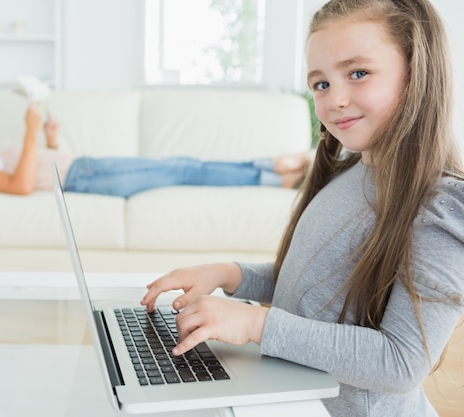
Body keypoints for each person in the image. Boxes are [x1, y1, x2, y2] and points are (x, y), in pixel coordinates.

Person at [140, 1, 464, 416]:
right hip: (296, 399)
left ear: (419, 73)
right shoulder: (347, 173)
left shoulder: (441, 208)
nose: (335, 99)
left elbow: (400, 363)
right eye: (320, 84)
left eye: (358, 73)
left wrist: (255, 324)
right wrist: (230, 275)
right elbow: (317, 286)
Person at [0, 105, 310, 197]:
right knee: (180, 171)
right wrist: (28, 132)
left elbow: (38, 166)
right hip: (84, 178)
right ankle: (276, 177)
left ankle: (273, 166)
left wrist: (50, 141)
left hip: (84, 165)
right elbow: (21, 185)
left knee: (180, 163)